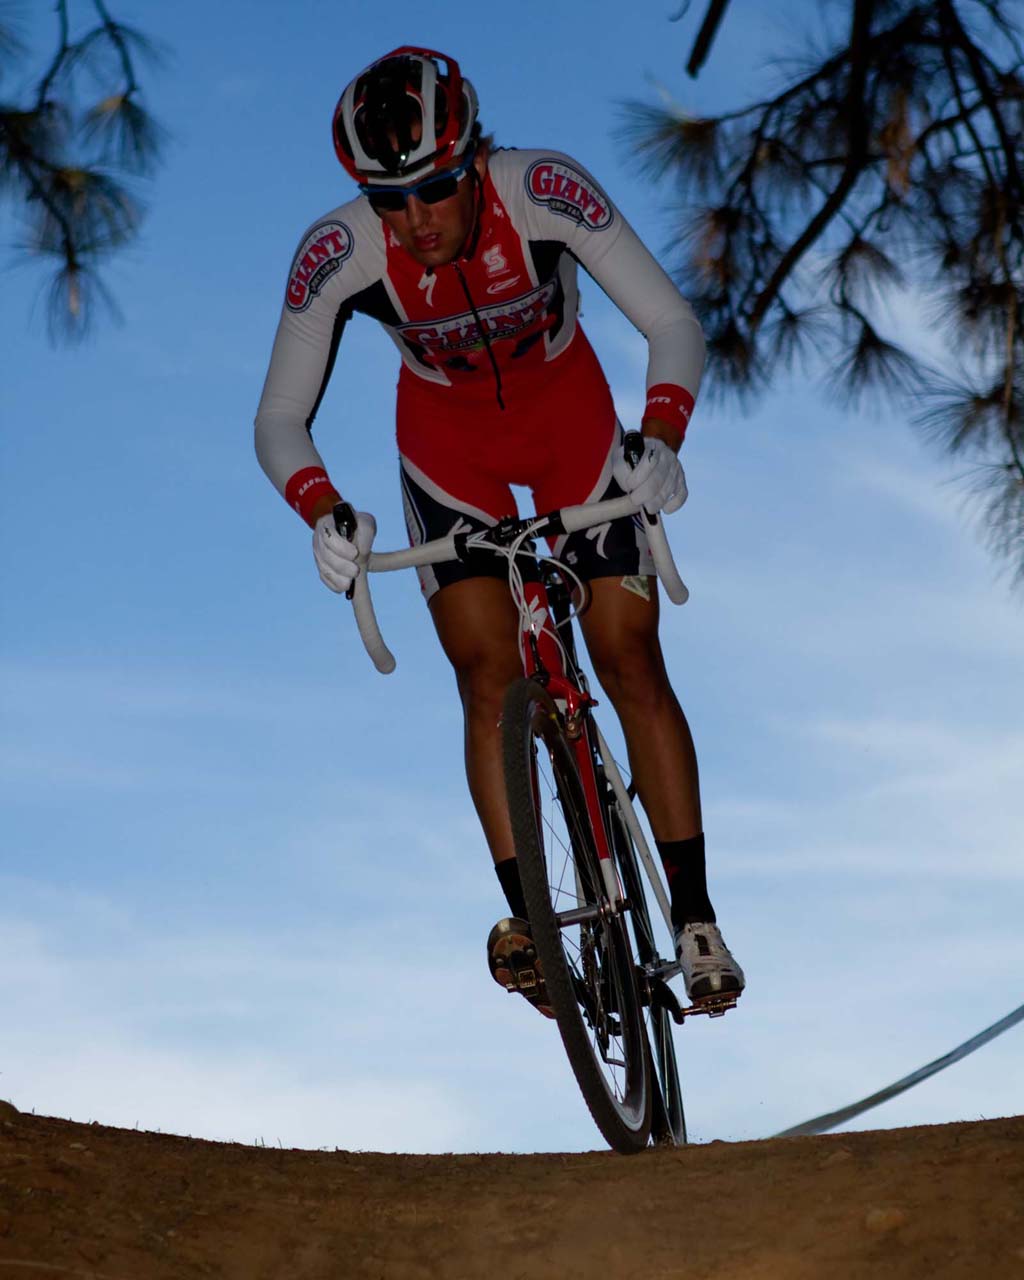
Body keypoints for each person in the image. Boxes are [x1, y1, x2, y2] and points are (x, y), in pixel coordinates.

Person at [254, 46, 744, 1014]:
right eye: (388, 201)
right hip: (450, 450)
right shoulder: (339, 249)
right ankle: (533, 920)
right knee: (487, 677)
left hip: (572, 427)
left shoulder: (542, 189)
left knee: (626, 652)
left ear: (471, 157)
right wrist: (322, 505)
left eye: (433, 189)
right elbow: (278, 417)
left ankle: (694, 916)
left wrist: (661, 436)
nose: (415, 220)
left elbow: (672, 323)